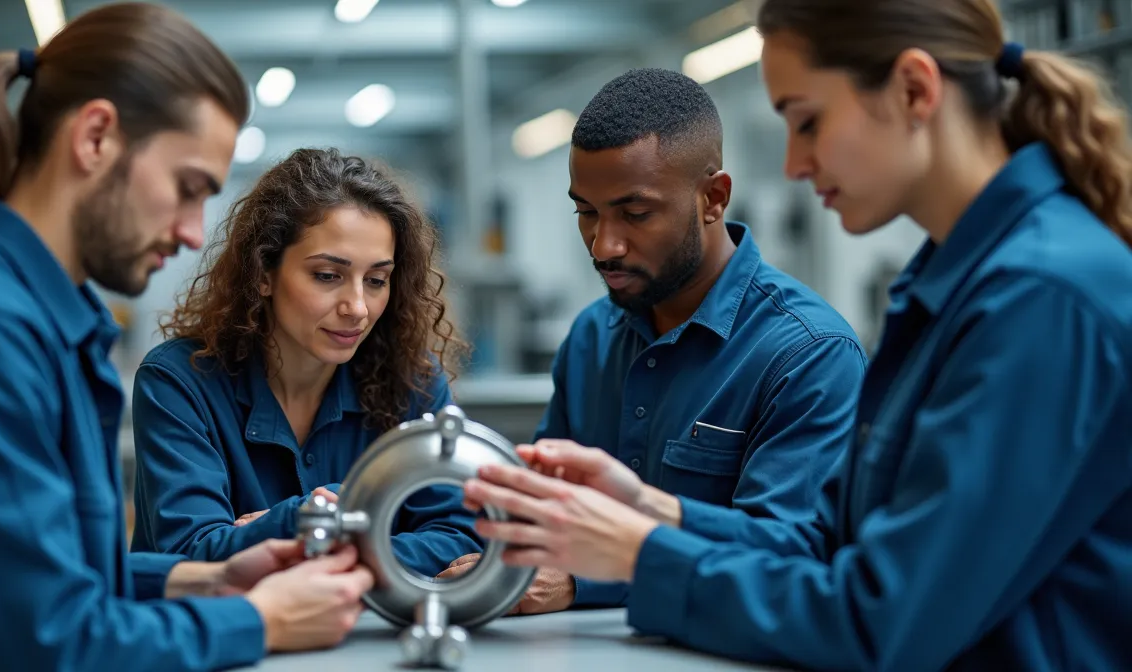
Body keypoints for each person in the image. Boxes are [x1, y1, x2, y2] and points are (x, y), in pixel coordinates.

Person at [461, 0, 1132, 669]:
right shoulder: (956, 288)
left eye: (807, 121)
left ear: (914, 90)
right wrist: (654, 511)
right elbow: (826, 546)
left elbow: (882, 620)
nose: (794, 164)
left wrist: (639, 554)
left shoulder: (1039, 298)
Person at [0, 4, 375, 670]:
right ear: (95, 138)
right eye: (186, 187)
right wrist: (258, 619)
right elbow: (52, 641)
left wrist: (204, 579)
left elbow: (50, 575)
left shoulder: (50, 320)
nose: (195, 231)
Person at [439, 67, 867, 615]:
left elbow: (790, 557)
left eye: (635, 214)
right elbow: (539, 515)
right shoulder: (592, 337)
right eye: (585, 213)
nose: (603, 245)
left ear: (713, 198)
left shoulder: (808, 356)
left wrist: (585, 579)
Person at [129, 147, 482, 578]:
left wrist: (309, 523)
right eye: (327, 276)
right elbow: (188, 558)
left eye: (376, 281)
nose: (357, 307)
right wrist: (355, 518)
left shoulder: (414, 381)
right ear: (263, 273)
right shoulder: (179, 381)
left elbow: (461, 538)